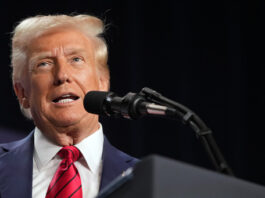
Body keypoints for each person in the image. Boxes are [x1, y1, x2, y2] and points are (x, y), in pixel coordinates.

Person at [0, 14, 138, 198]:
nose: (62, 75)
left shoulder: (145, 179)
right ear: (22, 93)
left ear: (102, 82)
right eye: (44, 64)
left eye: (76, 59)